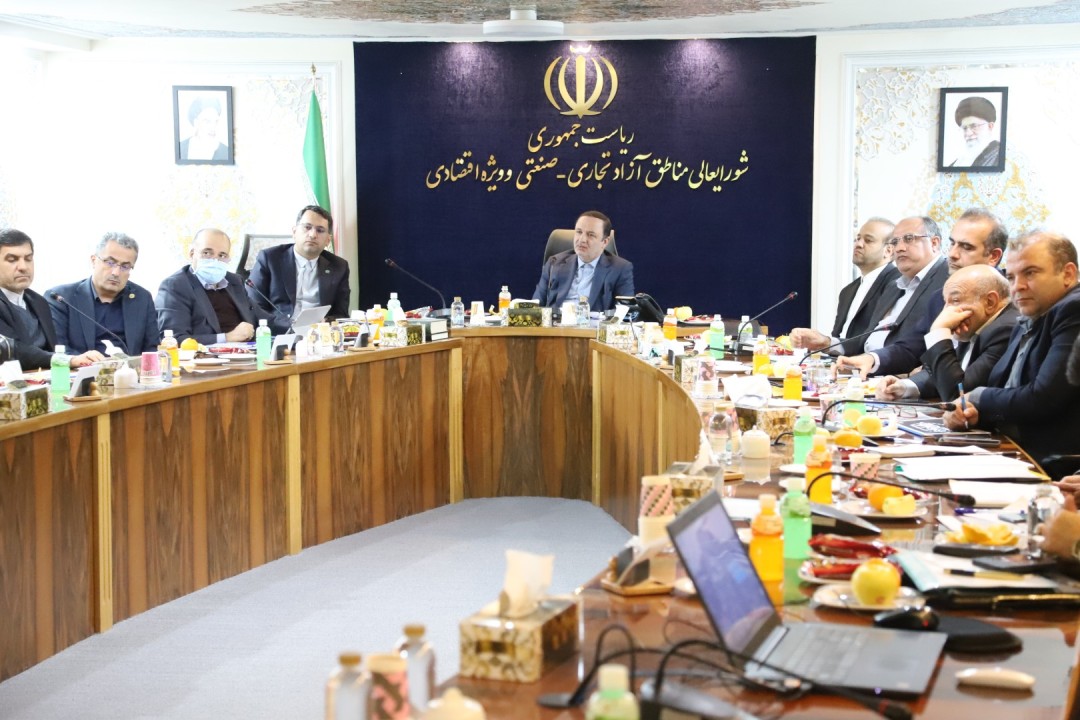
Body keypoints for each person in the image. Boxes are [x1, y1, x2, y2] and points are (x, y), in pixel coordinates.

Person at [945, 231, 1080, 472]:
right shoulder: (1030, 314)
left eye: (1030, 273)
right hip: (1008, 448)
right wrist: (975, 413)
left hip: (1050, 464)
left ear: (1068, 274)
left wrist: (978, 398)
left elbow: (1043, 399)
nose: (1018, 286)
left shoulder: (1073, 309)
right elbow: (1007, 390)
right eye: (1011, 277)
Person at [836, 208, 1007, 378]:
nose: (953, 254)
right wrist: (872, 359)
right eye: (952, 243)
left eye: (966, 247)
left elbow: (961, 383)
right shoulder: (938, 298)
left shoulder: (1007, 307)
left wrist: (938, 334)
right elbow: (912, 346)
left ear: (993, 256)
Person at [879, 264, 1017, 401]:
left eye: (955, 301)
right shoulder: (978, 324)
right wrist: (904, 386)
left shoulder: (1004, 330)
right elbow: (950, 373)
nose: (946, 312)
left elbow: (958, 395)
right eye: (945, 302)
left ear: (990, 302)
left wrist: (939, 332)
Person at [790, 217, 898, 355]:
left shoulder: (897, 284)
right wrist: (817, 343)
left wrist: (826, 342)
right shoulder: (848, 291)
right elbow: (837, 338)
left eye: (868, 240)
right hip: (838, 363)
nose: (858, 244)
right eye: (857, 239)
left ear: (888, 251)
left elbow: (878, 342)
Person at [0, 228, 103, 369]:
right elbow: (12, 350)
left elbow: (53, 349)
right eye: (12, 260)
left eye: (28, 259)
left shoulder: (38, 301)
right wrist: (66, 360)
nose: (23, 267)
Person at [46, 232, 160, 356]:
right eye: (110, 263)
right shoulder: (61, 298)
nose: (116, 272)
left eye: (125, 267)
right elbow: (57, 350)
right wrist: (82, 360)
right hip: (84, 367)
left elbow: (152, 350)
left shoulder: (142, 298)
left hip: (130, 367)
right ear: (93, 260)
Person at [246, 205, 350, 333]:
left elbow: (341, 313)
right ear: (294, 232)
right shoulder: (270, 258)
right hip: (278, 334)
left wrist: (326, 323)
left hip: (319, 335)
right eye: (307, 227)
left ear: (328, 240)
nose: (312, 235)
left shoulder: (339, 266)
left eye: (320, 230)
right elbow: (254, 306)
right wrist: (289, 327)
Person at [156, 228, 267, 346]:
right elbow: (174, 339)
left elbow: (265, 320)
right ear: (192, 254)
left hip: (249, 353)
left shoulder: (234, 281)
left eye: (222, 255)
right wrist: (227, 337)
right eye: (207, 253)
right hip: (206, 356)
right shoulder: (175, 286)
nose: (215, 260)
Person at [533, 210, 634, 312]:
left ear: (605, 242)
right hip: (556, 320)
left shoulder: (620, 268)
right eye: (579, 232)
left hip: (594, 321)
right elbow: (535, 306)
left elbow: (625, 311)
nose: (582, 240)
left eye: (591, 235)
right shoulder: (554, 263)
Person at [946, 96, 1001, 168]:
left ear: (990, 126)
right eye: (965, 128)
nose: (968, 133)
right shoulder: (958, 162)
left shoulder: (1000, 155)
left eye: (974, 126)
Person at [179, 95, 229, 161]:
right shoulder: (181, 147)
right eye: (207, 121)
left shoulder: (226, 152)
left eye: (216, 121)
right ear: (196, 123)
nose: (213, 127)